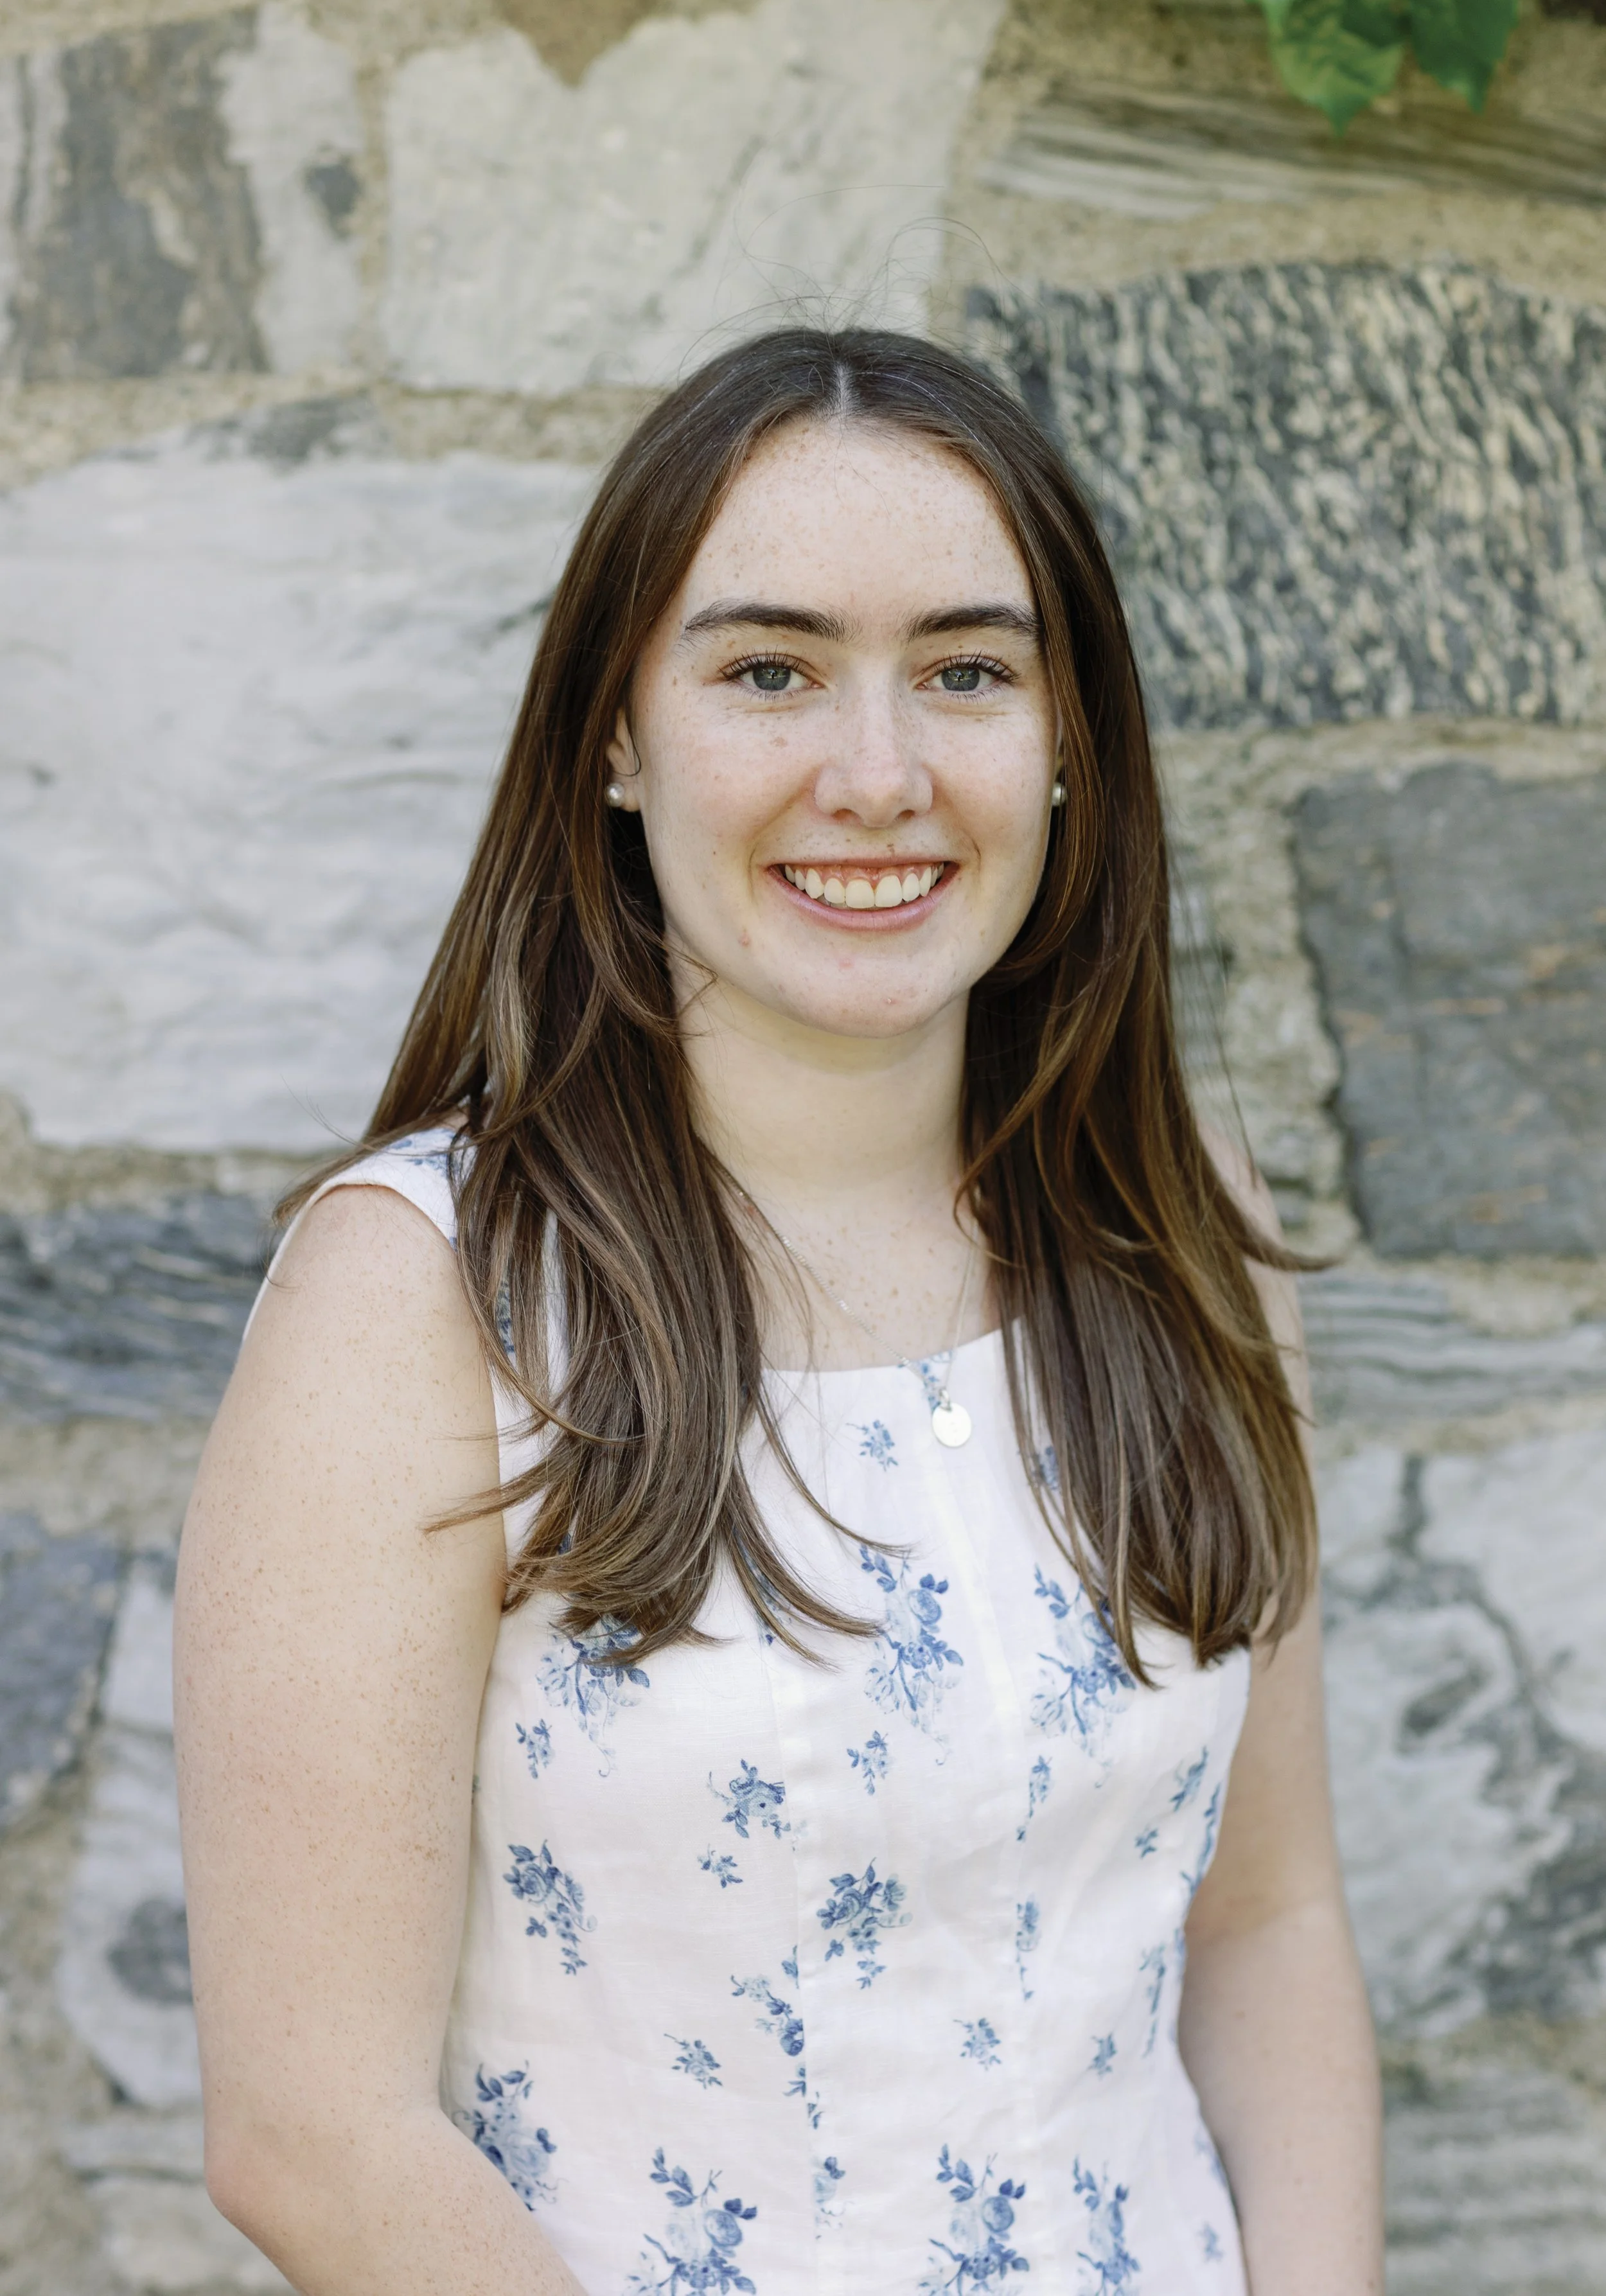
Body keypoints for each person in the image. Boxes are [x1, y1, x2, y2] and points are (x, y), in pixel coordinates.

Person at [174, 328, 1383, 2296]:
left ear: (1067, 739)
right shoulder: (431, 1302)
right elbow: (315, 2132)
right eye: (767, 669)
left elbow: (1265, 1919)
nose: (880, 774)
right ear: (614, 739)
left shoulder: (1185, 1237)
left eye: (969, 671)